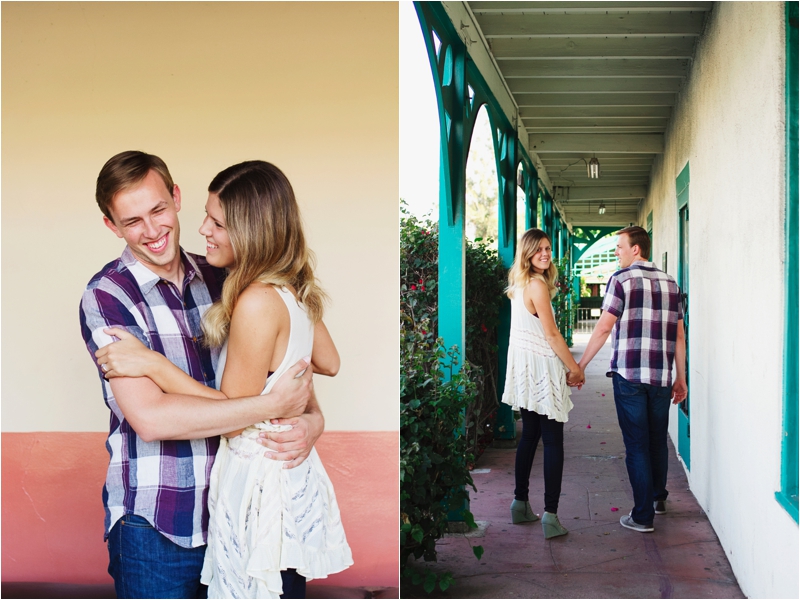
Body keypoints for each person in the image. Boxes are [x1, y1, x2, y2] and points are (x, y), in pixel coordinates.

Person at [96, 160, 353, 598]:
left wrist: (313, 419)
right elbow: (154, 420)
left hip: (247, 501)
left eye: (159, 210)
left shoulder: (230, 279)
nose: (154, 229)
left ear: (175, 198)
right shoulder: (109, 296)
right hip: (161, 518)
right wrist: (276, 406)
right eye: (132, 221)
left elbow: (286, 380)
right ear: (112, 225)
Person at [577, 226, 687, 533]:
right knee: (657, 440)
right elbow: (679, 334)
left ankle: (642, 516)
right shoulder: (671, 283)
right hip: (661, 377)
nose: (616, 252)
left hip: (629, 376)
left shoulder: (620, 280)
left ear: (635, 249)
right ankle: (658, 499)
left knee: (637, 445)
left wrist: (580, 365)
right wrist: (681, 377)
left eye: (619, 247)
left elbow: (602, 328)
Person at [501, 228, 584, 539]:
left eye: (548, 248)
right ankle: (551, 515)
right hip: (541, 368)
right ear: (527, 254)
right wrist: (574, 367)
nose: (546, 254)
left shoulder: (518, 284)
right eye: (538, 250)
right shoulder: (537, 286)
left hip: (524, 367)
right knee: (552, 442)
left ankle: (519, 503)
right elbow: (551, 335)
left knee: (530, 436)